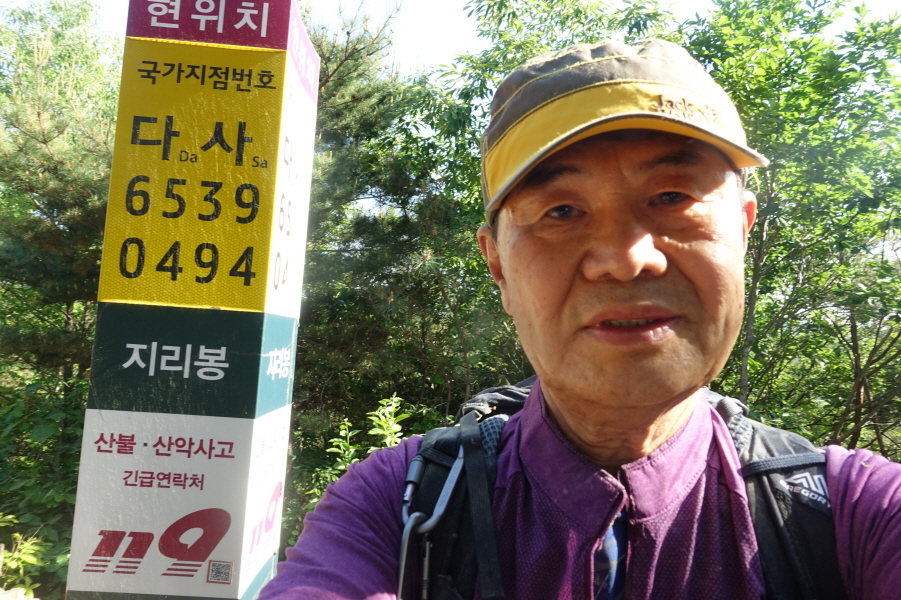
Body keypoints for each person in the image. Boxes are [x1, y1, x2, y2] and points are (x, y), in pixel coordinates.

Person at [259, 39, 901, 599]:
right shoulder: (395, 507)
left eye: (672, 196)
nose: (625, 260)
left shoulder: (858, 516)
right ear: (498, 266)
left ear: (742, 227)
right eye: (561, 212)